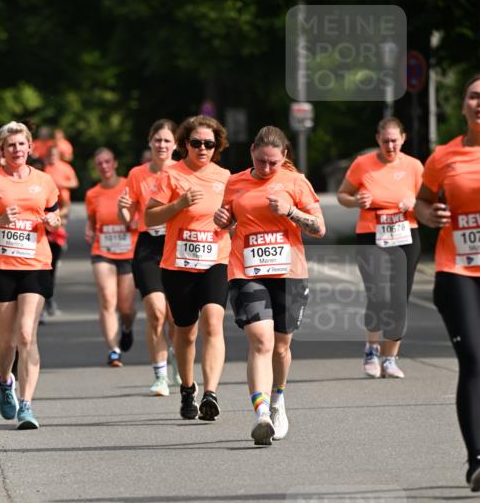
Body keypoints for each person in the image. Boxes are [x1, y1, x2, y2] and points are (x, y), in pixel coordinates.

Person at [215, 126, 325, 444]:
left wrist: (290, 211)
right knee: (261, 341)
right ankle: (261, 414)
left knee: (281, 346)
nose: (266, 168)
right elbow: (227, 222)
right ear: (252, 151)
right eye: (261, 161)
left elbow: (319, 228)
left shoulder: (296, 182)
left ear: (284, 157)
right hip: (246, 269)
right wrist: (222, 220)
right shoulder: (235, 182)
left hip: (289, 271)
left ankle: (278, 400)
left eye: (273, 163)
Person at [0, 121, 61, 429]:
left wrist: (54, 221)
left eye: (22, 145)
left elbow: (55, 213)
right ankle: (5, 381)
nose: (17, 150)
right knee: (5, 340)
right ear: (2, 151)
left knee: (26, 335)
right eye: (11, 146)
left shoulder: (45, 181)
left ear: (30, 147)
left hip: (35, 263)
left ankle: (27, 405)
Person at [415, 74, 480, 492]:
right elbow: (421, 201)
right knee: (475, 358)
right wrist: (428, 215)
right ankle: (477, 461)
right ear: (463, 106)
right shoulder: (444, 156)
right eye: (474, 96)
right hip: (457, 269)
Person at [145, 115, 231, 420]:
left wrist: (229, 220)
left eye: (209, 143)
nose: (203, 148)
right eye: (196, 143)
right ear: (185, 145)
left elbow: (236, 215)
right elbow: (150, 218)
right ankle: (187, 388)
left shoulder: (225, 177)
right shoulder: (171, 175)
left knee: (212, 323)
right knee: (186, 332)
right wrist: (179, 204)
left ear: (217, 146)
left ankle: (211, 393)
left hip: (215, 260)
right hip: (178, 264)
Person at [337, 118, 424, 378]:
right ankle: (371, 352)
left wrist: (414, 201)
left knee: (399, 301)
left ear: (403, 139)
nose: (390, 145)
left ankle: (390, 357)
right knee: (378, 297)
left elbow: (430, 200)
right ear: (377, 139)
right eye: (385, 141)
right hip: (371, 235)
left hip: (406, 234)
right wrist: (355, 201)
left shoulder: (414, 166)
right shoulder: (362, 164)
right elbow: (343, 195)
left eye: (394, 140)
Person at [118, 119, 179, 396]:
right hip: (148, 247)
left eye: (167, 140)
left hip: (179, 246)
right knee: (156, 312)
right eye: (158, 140)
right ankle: (160, 376)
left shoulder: (183, 173)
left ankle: (179, 358)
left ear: (176, 144)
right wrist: (122, 210)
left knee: (177, 318)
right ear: (150, 142)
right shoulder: (137, 174)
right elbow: (128, 218)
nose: (162, 145)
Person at [85, 148, 137, 366]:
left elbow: (140, 215)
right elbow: (91, 220)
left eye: (107, 162)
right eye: (100, 163)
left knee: (125, 307)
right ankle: (113, 350)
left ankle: (126, 327)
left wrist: (134, 222)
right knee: (107, 299)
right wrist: (89, 230)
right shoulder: (92, 194)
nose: (104, 166)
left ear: (115, 163)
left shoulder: (128, 186)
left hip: (128, 251)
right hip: (102, 251)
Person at [44, 144, 78, 316]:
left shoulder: (65, 168)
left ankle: (58, 241)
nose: (51, 157)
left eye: (54, 154)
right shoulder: (42, 169)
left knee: (52, 259)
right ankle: (44, 299)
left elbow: (74, 182)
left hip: (61, 210)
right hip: (43, 214)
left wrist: (60, 183)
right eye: (49, 154)